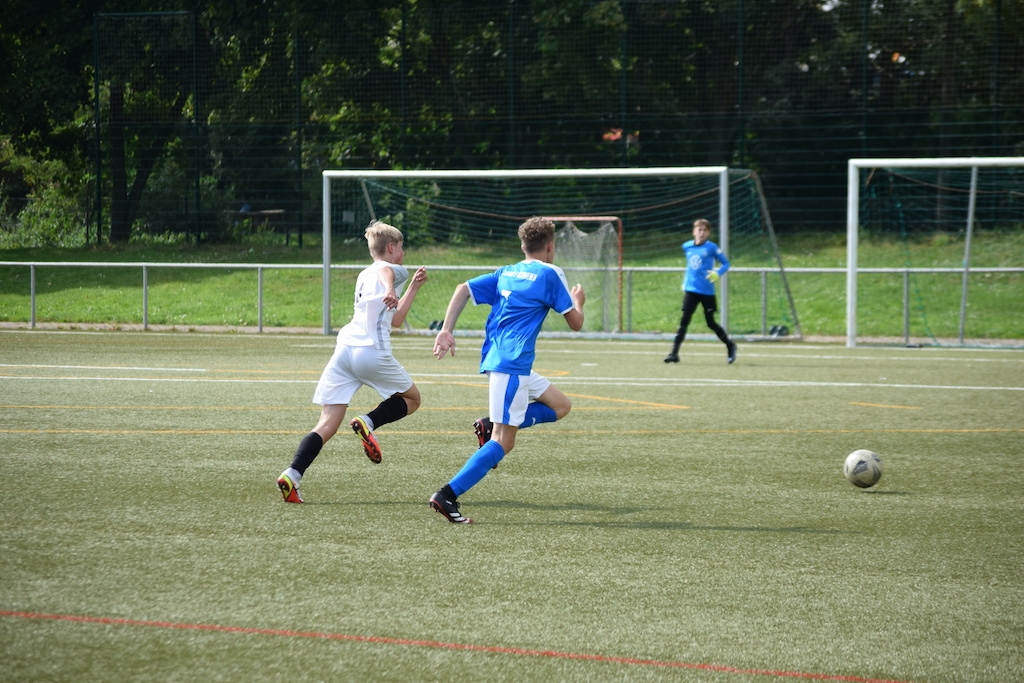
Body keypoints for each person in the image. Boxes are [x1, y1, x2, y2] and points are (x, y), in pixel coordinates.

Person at [428, 217, 586, 523]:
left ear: (523, 245)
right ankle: (447, 495)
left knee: (560, 405)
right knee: (503, 441)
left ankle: (490, 423)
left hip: (506, 362)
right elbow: (575, 323)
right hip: (511, 364)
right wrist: (578, 302)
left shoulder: (507, 272)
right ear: (550, 246)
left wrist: (446, 330)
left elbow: (463, 288)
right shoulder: (551, 273)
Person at [276, 221, 428, 503]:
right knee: (413, 399)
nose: (403, 253)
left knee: (326, 423)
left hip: (344, 351)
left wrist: (412, 289)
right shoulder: (392, 269)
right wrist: (391, 288)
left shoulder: (362, 274)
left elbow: (396, 319)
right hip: (371, 351)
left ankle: (292, 474)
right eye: (401, 247)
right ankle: (368, 421)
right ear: (391, 247)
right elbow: (385, 271)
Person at [664, 218, 737, 364]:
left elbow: (726, 263)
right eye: (699, 230)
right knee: (684, 321)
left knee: (710, 322)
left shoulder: (712, 248)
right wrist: (685, 282)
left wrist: (718, 273)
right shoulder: (687, 247)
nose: (702, 233)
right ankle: (674, 354)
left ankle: (730, 346)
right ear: (694, 231)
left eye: (705, 230)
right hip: (691, 290)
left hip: (707, 291)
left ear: (708, 233)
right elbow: (690, 267)